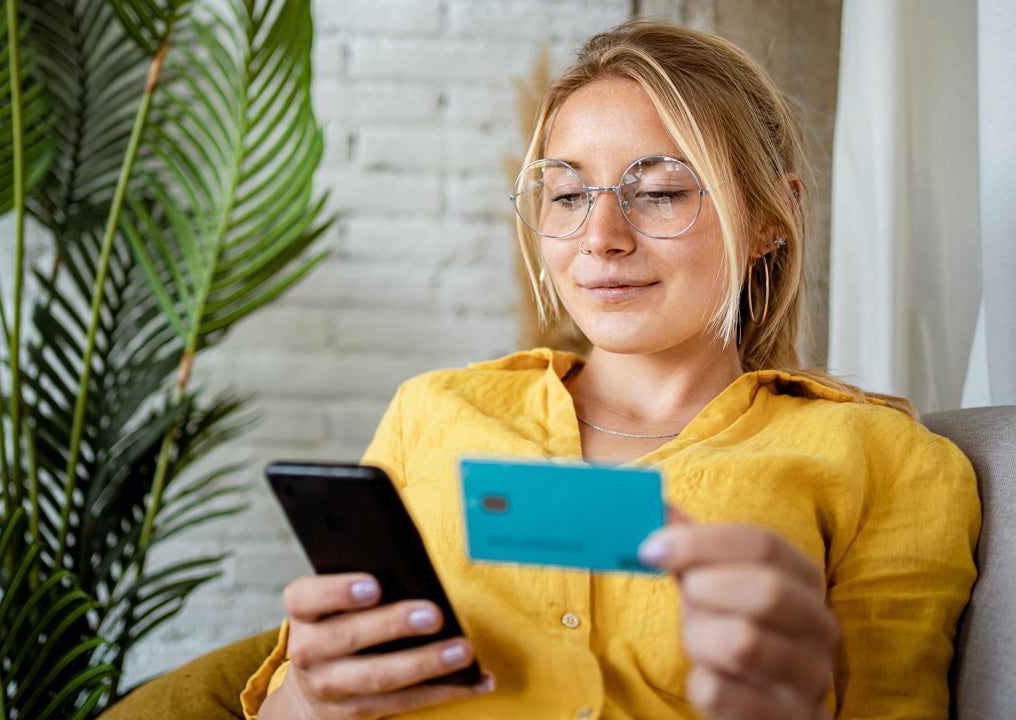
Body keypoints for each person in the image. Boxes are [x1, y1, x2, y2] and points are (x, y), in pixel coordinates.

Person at [242, 19, 980, 720]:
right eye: (566, 195)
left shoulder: (888, 462)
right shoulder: (431, 412)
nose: (600, 237)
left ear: (768, 218)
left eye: (658, 192)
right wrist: (312, 697)